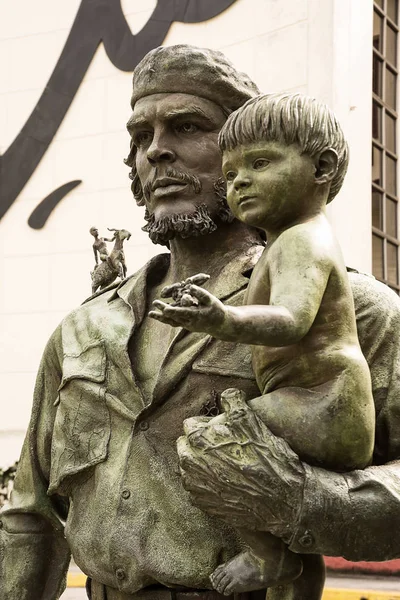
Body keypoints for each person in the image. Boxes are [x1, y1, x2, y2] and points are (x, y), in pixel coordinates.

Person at [0, 44, 399, 600]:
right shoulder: (83, 331)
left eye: (188, 127)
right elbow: (30, 520)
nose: (157, 151)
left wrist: (299, 499)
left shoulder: (356, 309)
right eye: (141, 138)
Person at [150, 92, 375, 597]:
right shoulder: (285, 244)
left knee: (208, 440)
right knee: (298, 545)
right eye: (229, 176)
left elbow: (292, 319)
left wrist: (223, 318)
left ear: (321, 167)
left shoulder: (302, 240)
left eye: (259, 163)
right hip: (323, 403)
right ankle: (286, 565)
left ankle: (265, 557)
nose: (240, 182)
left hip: (325, 402)